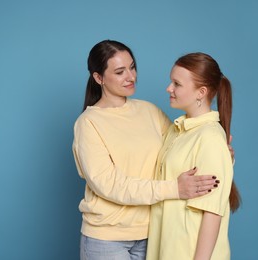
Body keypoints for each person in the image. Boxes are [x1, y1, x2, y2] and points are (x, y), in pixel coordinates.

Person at [72, 40, 221, 260]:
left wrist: (218, 152)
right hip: (107, 239)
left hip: (153, 234)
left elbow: (180, 151)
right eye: (120, 72)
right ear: (98, 78)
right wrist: (174, 189)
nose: (131, 77)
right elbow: (110, 185)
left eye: (132, 67)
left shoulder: (148, 110)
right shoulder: (88, 123)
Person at [146, 52, 241, 260]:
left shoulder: (211, 138)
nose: (168, 88)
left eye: (176, 84)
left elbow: (212, 213)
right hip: (166, 249)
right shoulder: (177, 130)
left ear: (201, 92)